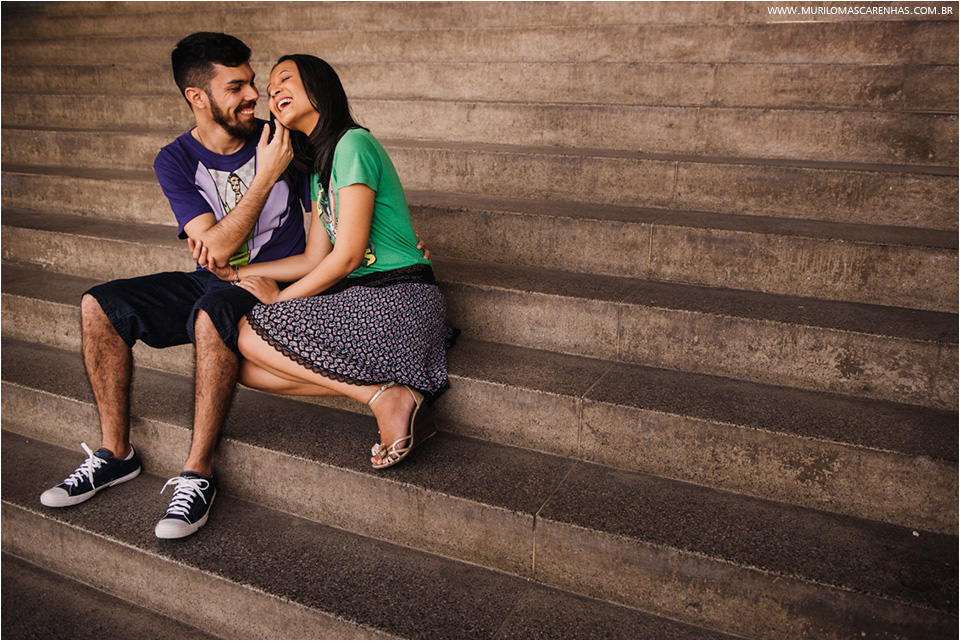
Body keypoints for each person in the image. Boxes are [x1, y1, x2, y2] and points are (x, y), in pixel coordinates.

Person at [39, 33, 305, 540]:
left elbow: (340, 207)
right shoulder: (176, 159)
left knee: (212, 312)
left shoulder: (284, 141)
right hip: (218, 279)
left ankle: (198, 473)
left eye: (251, 82)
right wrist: (265, 179)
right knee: (101, 304)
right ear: (197, 97)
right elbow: (216, 251)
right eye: (236, 87)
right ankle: (116, 454)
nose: (254, 95)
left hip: (279, 281)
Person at [191, 54, 451, 469]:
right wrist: (239, 272)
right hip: (364, 300)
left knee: (249, 333)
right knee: (244, 369)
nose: (274, 92)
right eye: (271, 90)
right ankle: (385, 391)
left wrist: (280, 300)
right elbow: (315, 257)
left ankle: (389, 398)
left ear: (318, 85)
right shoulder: (319, 168)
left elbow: (347, 257)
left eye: (285, 80)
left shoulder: (353, 144)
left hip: (399, 298)